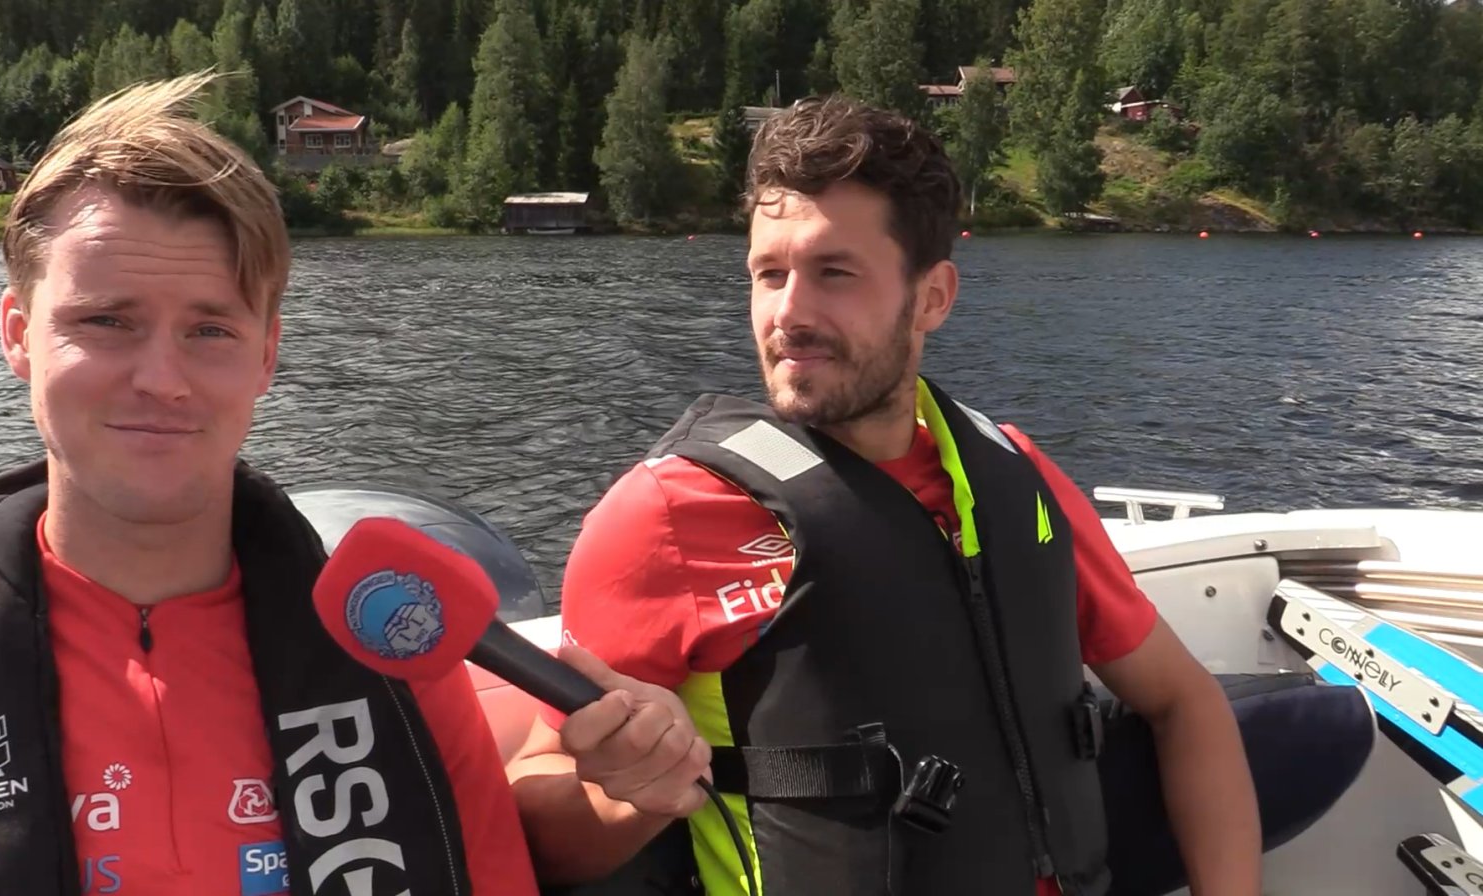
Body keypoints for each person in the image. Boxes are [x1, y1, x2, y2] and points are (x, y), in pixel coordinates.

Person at [507, 94, 1263, 896]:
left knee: (1315, 726)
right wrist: (630, 797)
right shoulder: (668, 515)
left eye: (834, 273)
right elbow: (535, 811)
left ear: (932, 297)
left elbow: (1185, 702)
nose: (788, 314)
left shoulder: (1016, 478)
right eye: (769, 274)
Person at [0, 72, 537, 895]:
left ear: (266, 355)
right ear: (18, 335)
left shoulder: (391, 651)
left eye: (210, 330)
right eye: (107, 321)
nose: (162, 379)